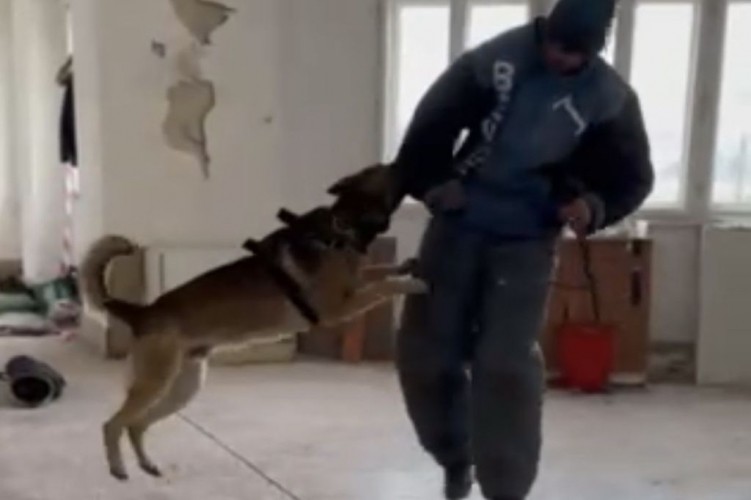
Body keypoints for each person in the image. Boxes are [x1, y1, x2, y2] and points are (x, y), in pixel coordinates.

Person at [392, 0, 654, 499]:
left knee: (504, 363)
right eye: (555, 45)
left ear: (594, 51)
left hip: (529, 236)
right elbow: (429, 127)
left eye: (573, 54)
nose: (559, 57)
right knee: (427, 354)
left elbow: (634, 176)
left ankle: (506, 490)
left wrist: (592, 205)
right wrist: (435, 183)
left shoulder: (608, 97)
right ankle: (454, 457)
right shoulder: (494, 61)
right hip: (459, 224)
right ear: (545, 29)